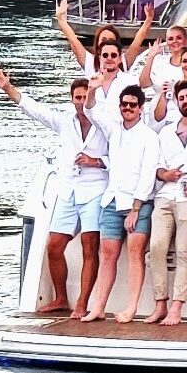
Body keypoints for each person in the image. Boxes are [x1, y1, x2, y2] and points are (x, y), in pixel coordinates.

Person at [0, 67, 106, 318]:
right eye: (78, 98)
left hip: (94, 189)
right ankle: (62, 298)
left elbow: (120, 151)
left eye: (85, 97)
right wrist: (8, 88)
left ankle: (83, 303)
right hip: (67, 189)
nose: (82, 102)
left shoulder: (103, 123)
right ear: (72, 99)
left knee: (89, 246)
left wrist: (96, 161)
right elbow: (34, 109)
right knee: (54, 246)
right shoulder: (64, 121)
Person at [80, 85, 160, 323]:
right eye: (124, 104)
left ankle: (131, 308)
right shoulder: (114, 131)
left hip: (139, 203)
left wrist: (135, 209)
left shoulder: (150, 137)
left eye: (132, 105)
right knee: (107, 255)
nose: (127, 108)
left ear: (140, 108)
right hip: (112, 200)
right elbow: (91, 111)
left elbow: (148, 175)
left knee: (135, 254)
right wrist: (92, 89)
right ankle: (98, 307)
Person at [145, 81, 187, 326]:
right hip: (166, 194)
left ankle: (177, 307)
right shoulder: (164, 132)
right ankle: (160, 304)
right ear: (175, 102)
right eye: (181, 98)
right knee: (156, 247)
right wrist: (165, 175)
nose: (186, 101)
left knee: (185, 250)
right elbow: (155, 166)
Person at [56, 0, 153, 82]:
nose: (106, 42)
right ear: (97, 42)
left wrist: (148, 20)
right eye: (103, 39)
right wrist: (60, 18)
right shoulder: (89, 61)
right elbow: (73, 39)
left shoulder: (122, 61)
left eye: (111, 40)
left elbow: (137, 41)